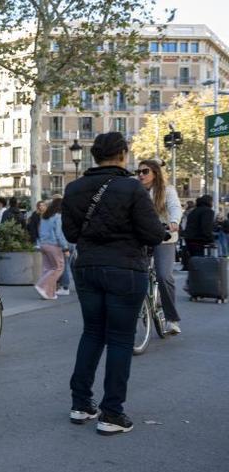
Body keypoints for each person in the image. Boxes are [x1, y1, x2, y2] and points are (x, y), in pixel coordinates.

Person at [62, 132, 164, 435]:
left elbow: (70, 233)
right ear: (122, 154)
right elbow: (152, 234)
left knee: (92, 333)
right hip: (125, 269)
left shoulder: (74, 188)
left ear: (94, 156)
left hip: (88, 267)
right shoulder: (132, 188)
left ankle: (81, 404)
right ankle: (112, 413)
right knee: (120, 339)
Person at [136, 159, 183, 334]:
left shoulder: (167, 190)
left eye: (145, 171)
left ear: (155, 173)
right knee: (133, 274)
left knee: (163, 276)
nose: (141, 174)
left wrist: (174, 221)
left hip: (164, 238)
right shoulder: (136, 191)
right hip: (142, 239)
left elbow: (175, 207)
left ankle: (172, 319)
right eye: (138, 172)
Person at [34, 198, 69, 300]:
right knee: (59, 268)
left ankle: (50, 294)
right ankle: (41, 285)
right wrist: (65, 248)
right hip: (54, 245)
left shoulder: (44, 217)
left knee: (48, 268)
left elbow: (40, 231)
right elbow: (59, 234)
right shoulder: (58, 217)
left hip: (43, 244)